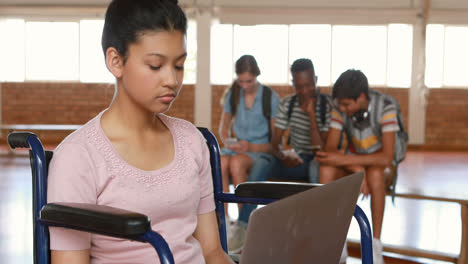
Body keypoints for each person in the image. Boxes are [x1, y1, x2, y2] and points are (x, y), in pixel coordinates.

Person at [47, 1, 233, 263]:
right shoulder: (79, 157)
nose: (172, 80)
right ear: (115, 61)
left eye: (179, 65)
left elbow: (213, 253)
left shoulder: (191, 141)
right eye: (156, 66)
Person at [227, 58, 331, 253]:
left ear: (316, 80)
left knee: (314, 166)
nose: (303, 91)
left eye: (308, 85)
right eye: (298, 86)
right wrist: (283, 156)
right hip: (293, 160)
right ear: (293, 83)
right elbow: (274, 144)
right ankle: (243, 226)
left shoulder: (327, 105)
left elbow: (323, 148)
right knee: (264, 160)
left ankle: (321, 232)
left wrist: (310, 116)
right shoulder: (288, 104)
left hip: (316, 159)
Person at [316, 69, 399, 264]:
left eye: (346, 104)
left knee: (376, 175)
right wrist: (357, 169)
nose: (342, 109)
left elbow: (386, 157)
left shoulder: (387, 106)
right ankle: (337, 241)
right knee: (326, 170)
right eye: (340, 105)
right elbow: (329, 150)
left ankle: (375, 244)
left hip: (380, 166)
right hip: (356, 162)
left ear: (362, 97)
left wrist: (351, 163)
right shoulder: (340, 107)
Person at [218, 55, 280, 218]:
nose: (245, 86)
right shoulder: (233, 93)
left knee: (236, 164)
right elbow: (223, 129)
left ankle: (243, 220)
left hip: (259, 150)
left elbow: (275, 142)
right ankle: (223, 219)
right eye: (241, 81)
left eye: (249, 81)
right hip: (236, 148)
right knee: (221, 162)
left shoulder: (270, 97)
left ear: (257, 75)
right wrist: (229, 142)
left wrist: (250, 147)